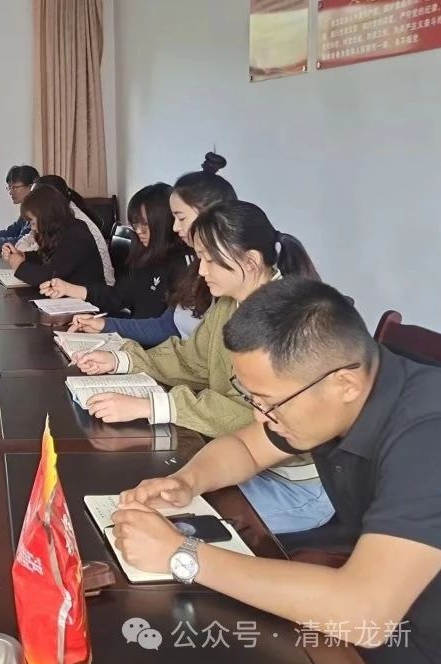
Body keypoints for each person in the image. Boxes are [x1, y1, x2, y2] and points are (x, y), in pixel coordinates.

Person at [112, 278, 441, 664]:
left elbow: (364, 613)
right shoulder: (338, 389)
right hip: (388, 605)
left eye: (269, 403)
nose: (260, 417)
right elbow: (247, 447)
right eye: (253, 399)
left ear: (345, 384)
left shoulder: (430, 435)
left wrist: (182, 554)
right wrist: (186, 482)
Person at [74, 200, 330, 534]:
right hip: (241, 458)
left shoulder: (288, 323)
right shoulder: (229, 303)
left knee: (167, 523)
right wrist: (125, 359)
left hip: (292, 484)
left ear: (250, 261)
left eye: (209, 260)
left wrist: (154, 405)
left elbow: (248, 416)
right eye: (200, 258)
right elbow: (192, 358)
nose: (202, 271)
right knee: (152, 498)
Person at [70, 153, 235, 348]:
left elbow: (184, 343)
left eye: (181, 218)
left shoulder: (189, 265)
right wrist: (105, 325)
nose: (175, 227)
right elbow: (167, 326)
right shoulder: (165, 261)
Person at [40, 182, 186, 319]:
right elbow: (117, 297)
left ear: (165, 222)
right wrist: (68, 289)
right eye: (135, 224)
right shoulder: (145, 256)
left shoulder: (181, 265)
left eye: (145, 225)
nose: (139, 231)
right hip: (134, 332)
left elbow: (159, 326)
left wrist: (107, 324)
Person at [2, 185, 106, 288]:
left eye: (33, 222)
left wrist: (19, 265)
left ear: (46, 217)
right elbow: (49, 258)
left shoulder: (76, 235)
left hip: (86, 297)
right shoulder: (62, 229)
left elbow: (48, 278)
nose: (32, 228)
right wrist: (23, 256)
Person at [31, 175, 116, 286]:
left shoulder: (75, 224)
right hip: (79, 283)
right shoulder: (61, 216)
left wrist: (20, 264)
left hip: (97, 290)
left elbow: (53, 272)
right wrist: (24, 256)